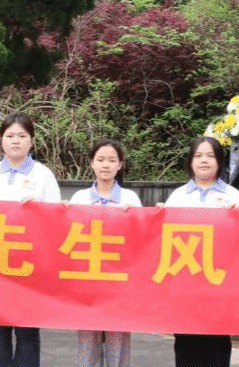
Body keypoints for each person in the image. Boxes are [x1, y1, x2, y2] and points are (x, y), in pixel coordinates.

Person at [0, 111, 62, 367]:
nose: (16, 141)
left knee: (27, 332)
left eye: (22, 136)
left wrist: (41, 207)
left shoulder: (43, 175)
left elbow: (58, 219)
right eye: (10, 136)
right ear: (1, 140)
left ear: (32, 140)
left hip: (30, 266)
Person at [161, 135, 239, 367]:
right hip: (186, 288)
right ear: (190, 161)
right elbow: (162, 241)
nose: (204, 161)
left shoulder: (233, 196)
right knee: (186, 348)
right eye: (198, 155)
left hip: (221, 288)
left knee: (218, 348)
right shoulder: (178, 196)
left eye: (210, 156)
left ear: (219, 161)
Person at [66, 139, 141, 367]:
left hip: (119, 284)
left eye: (111, 160)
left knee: (118, 348)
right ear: (91, 163)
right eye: (100, 160)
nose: (106, 165)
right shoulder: (79, 199)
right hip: (87, 283)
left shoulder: (130, 199)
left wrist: (137, 217)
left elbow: (143, 239)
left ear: (120, 165)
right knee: (87, 347)